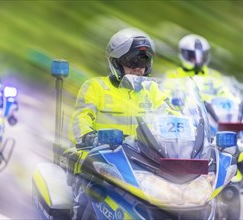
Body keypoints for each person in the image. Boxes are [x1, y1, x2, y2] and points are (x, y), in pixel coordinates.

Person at [67, 27, 173, 219]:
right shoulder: (96, 87)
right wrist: (87, 135)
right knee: (91, 198)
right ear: (116, 62)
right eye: (132, 62)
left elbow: (172, 115)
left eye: (144, 61)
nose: (138, 68)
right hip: (102, 159)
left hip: (144, 160)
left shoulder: (154, 91)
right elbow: (81, 117)